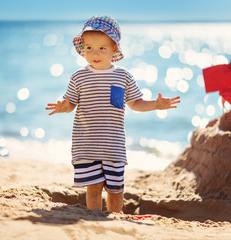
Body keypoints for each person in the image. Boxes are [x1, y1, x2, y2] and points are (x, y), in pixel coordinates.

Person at [45, 15, 180, 213]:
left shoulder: (122, 76)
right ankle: (94, 216)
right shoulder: (79, 77)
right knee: (93, 188)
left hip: (113, 145)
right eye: (89, 47)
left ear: (114, 49)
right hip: (87, 145)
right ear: (83, 48)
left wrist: (156, 105)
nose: (94, 53)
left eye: (102, 48)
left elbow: (135, 103)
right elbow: (71, 104)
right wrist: (62, 107)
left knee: (116, 189)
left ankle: (115, 216)